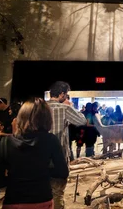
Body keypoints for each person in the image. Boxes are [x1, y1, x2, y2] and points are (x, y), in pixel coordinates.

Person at [0, 98, 69, 209]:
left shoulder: (5, 142)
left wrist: (15, 177)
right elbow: (62, 172)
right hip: (42, 199)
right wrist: (42, 172)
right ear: (47, 119)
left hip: (14, 200)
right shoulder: (51, 140)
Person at [47, 81, 86, 209]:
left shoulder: (39, 107)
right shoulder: (64, 108)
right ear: (62, 94)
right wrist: (70, 106)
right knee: (57, 194)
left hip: (38, 159)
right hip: (58, 159)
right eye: (66, 94)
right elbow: (82, 121)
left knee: (42, 194)